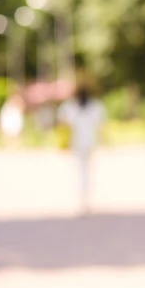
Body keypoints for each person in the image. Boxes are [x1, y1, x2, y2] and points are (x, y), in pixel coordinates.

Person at [57, 86, 106, 215]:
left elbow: (62, 121)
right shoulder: (94, 106)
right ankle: (84, 200)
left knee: (81, 171)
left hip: (79, 143)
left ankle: (83, 200)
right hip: (87, 143)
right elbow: (101, 124)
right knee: (85, 171)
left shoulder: (71, 107)